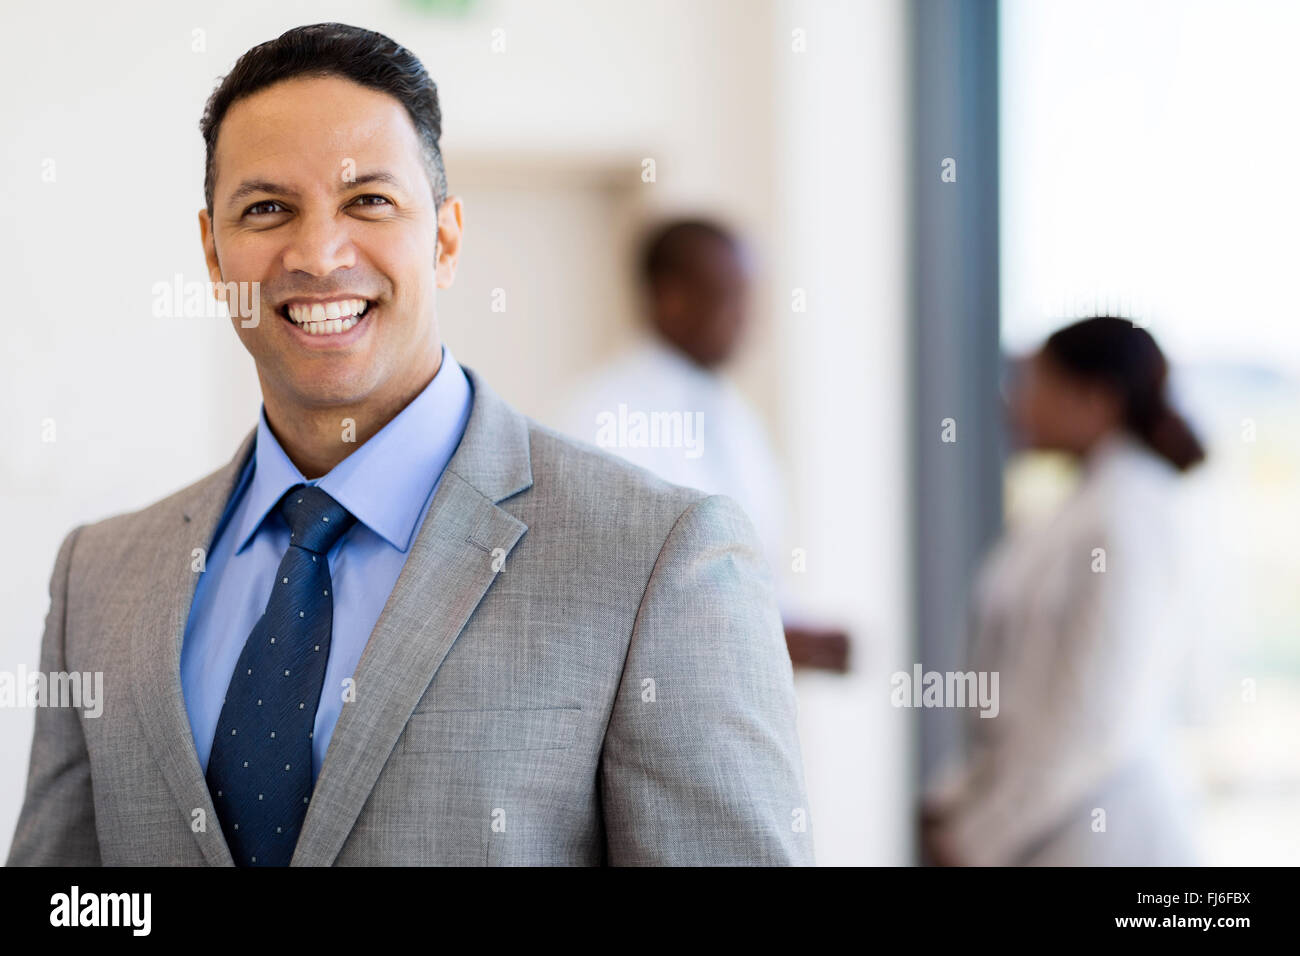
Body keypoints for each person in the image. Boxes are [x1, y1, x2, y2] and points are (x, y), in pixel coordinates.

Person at [6, 23, 813, 867]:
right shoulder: (99, 581)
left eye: (369, 202)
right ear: (213, 252)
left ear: (446, 239)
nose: (317, 255)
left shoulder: (656, 560)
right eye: (267, 209)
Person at [921, 316, 1205, 866]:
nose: (1015, 400)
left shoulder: (1126, 514)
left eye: (1036, 383)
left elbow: (1096, 716)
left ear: (1095, 399)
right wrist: (957, 797)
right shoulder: (1081, 506)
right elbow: (1023, 698)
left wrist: (980, 834)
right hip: (1047, 825)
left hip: (1099, 832)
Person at [553, 219, 849, 671]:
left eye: (750, 297)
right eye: (730, 297)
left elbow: (753, 567)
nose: (747, 318)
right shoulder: (602, 415)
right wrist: (763, 633)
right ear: (671, 298)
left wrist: (795, 630)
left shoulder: (737, 418)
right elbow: (608, 594)